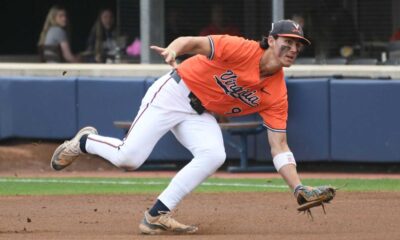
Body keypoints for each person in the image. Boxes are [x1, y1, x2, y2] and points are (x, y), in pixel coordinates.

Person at [51, 20, 317, 235]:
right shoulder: (242, 49)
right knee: (128, 158)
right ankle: (85, 141)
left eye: (298, 45)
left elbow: (279, 145)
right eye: (288, 42)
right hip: (175, 92)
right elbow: (194, 42)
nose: (293, 49)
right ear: (271, 40)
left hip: (198, 113)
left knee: (214, 154)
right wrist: (174, 50)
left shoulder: (277, 93)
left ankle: (157, 214)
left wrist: (298, 188)